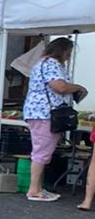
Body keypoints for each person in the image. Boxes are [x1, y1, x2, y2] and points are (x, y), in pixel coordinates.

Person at [22, 37, 86, 203]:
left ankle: (38, 187)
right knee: (42, 152)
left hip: (39, 112)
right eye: (68, 52)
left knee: (42, 150)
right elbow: (60, 87)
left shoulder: (43, 63)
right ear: (62, 51)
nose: (69, 56)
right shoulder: (51, 64)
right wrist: (77, 87)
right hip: (45, 114)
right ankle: (33, 190)